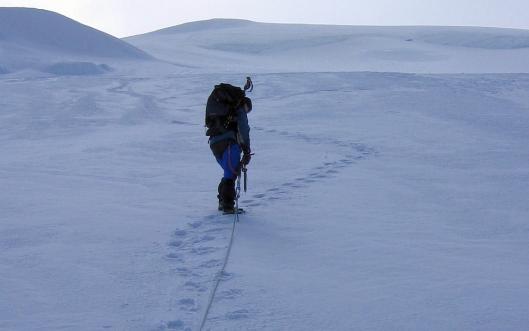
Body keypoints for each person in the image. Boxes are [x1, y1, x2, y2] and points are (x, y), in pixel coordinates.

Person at [206, 86, 252, 213]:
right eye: (248, 110)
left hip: (215, 143)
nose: (246, 113)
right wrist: (247, 150)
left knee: (228, 172)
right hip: (229, 142)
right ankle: (227, 205)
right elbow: (244, 128)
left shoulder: (225, 110)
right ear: (246, 105)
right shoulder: (239, 108)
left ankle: (223, 201)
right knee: (231, 173)